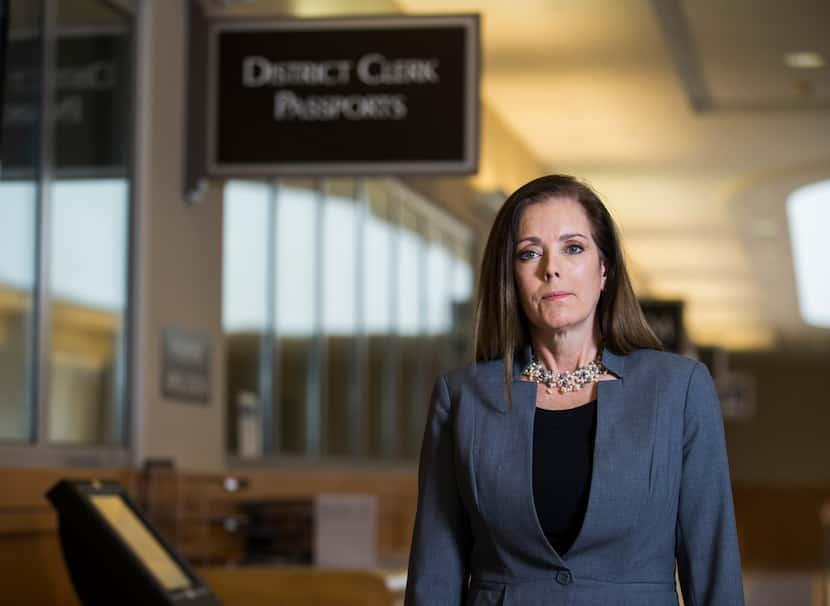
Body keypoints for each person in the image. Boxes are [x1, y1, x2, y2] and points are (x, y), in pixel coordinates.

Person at [404, 175, 745, 605]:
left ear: (605, 269)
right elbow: (434, 579)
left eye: (574, 247)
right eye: (530, 253)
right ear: (511, 277)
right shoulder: (462, 399)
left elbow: (714, 574)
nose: (552, 267)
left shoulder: (679, 391)